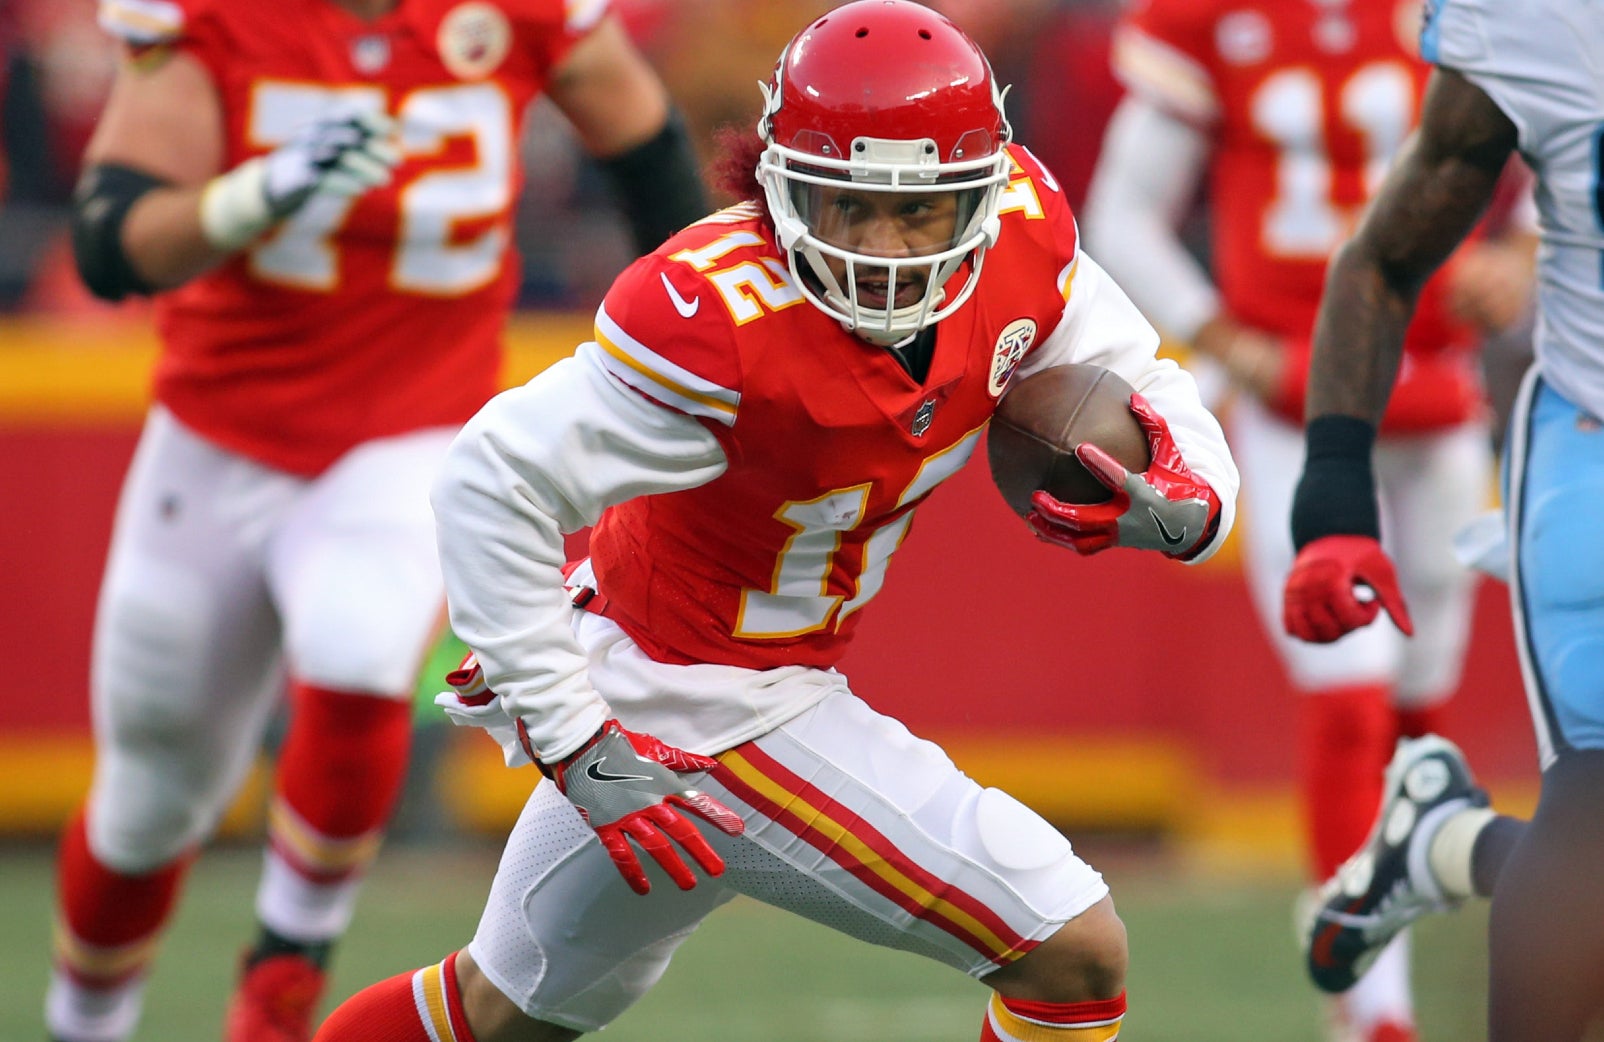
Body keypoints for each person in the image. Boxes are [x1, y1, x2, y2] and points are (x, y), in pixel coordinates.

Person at [308, 3, 1239, 1041]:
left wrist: (1198, 498)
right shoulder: (717, 320)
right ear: (778, 182)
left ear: (981, 192)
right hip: (708, 699)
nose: (882, 250)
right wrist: (574, 735)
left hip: (700, 676)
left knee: (496, 1012)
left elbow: (1134, 372)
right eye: (848, 208)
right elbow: (490, 479)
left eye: (919, 214)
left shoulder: (1021, 232)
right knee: (1071, 950)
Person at [44, 3, 709, 1042]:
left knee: (357, 654)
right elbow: (109, 247)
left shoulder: (522, 15)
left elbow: (652, 160)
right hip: (220, 435)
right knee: (147, 803)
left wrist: (709, 360)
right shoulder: (218, 19)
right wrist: (250, 196)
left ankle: (284, 975)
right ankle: (84, 1020)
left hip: (411, 422)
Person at [1079, 3, 1533, 1038]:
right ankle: (1374, 1011)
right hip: (1296, 397)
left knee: (1415, 703)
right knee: (1346, 695)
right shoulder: (1211, 19)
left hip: (1437, 395)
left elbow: (1566, 142)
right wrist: (1223, 341)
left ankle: (1374, 934)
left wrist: (1522, 248)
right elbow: (1122, 215)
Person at [1284, 0, 1604, 1037]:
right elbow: (1385, 257)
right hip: (1592, 449)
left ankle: (1445, 841)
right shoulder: (1541, 20)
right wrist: (1336, 488)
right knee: (1596, 823)